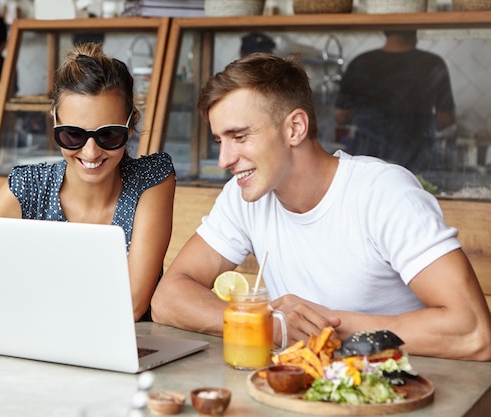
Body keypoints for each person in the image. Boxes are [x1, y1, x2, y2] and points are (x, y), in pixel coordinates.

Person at [150, 52, 491, 361]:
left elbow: (474, 331)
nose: (224, 159)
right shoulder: (244, 195)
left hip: (400, 391)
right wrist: (265, 323)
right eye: (219, 140)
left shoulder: (383, 194)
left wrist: (326, 327)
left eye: (239, 137)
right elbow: (168, 298)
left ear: (295, 128)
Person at [0, 43, 176, 322]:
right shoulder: (29, 185)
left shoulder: (151, 179)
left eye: (109, 135)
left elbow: (132, 304)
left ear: (131, 124)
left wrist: (23, 289)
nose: (90, 152)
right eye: (73, 135)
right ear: (54, 122)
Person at [335, 30, 456, 172]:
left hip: (369, 160)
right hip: (416, 160)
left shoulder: (361, 62)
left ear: (384, 31)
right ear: (415, 31)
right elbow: (446, 119)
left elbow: (341, 117)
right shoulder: (433, 64)